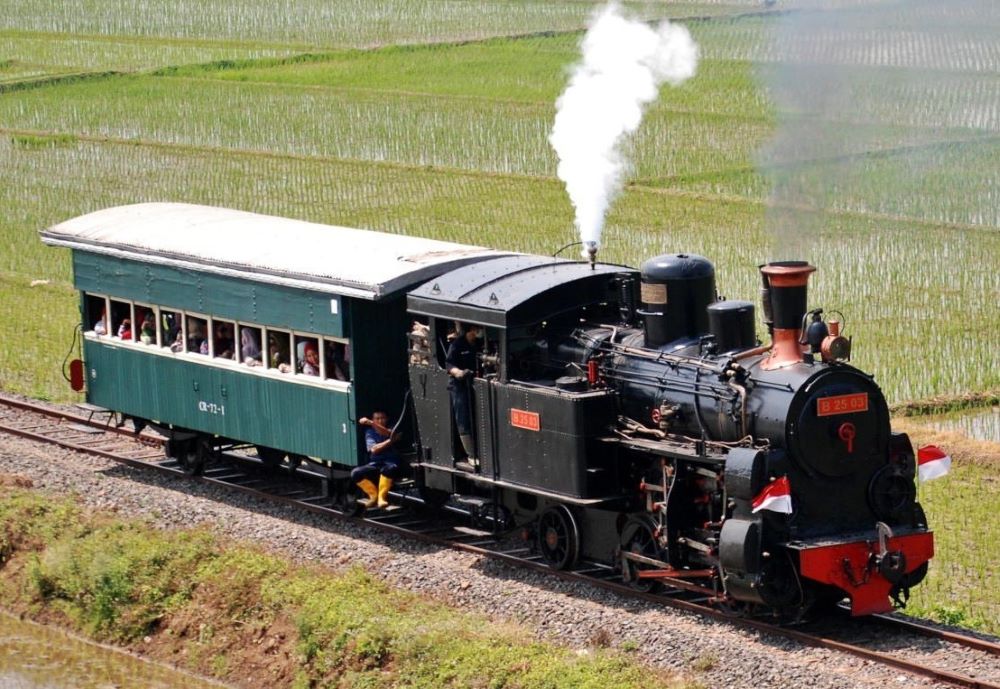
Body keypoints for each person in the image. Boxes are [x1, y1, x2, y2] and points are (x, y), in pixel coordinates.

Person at [445, 323, 482, 471]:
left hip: (475, 384)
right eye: (478, 329)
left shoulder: (479, 344)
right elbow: (449, 364)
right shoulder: (457, 344)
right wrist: (458, 372)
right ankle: (471, 454)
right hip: (459, 385)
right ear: (472, 330)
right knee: (463, 416)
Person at [351, 411, 402, 509]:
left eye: (382, 418)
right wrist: (390, 441)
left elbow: (388, 433)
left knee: (389, 469)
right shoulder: (370, 432)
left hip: (391, 461)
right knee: (355, 473)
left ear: (387, 419)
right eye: (377, 419)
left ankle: (381, 498)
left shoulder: (393, 427)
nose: (380, 420)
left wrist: (371, 423)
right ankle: (373, 495)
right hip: (376, 463)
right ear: (373, 419)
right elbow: (374, 449)